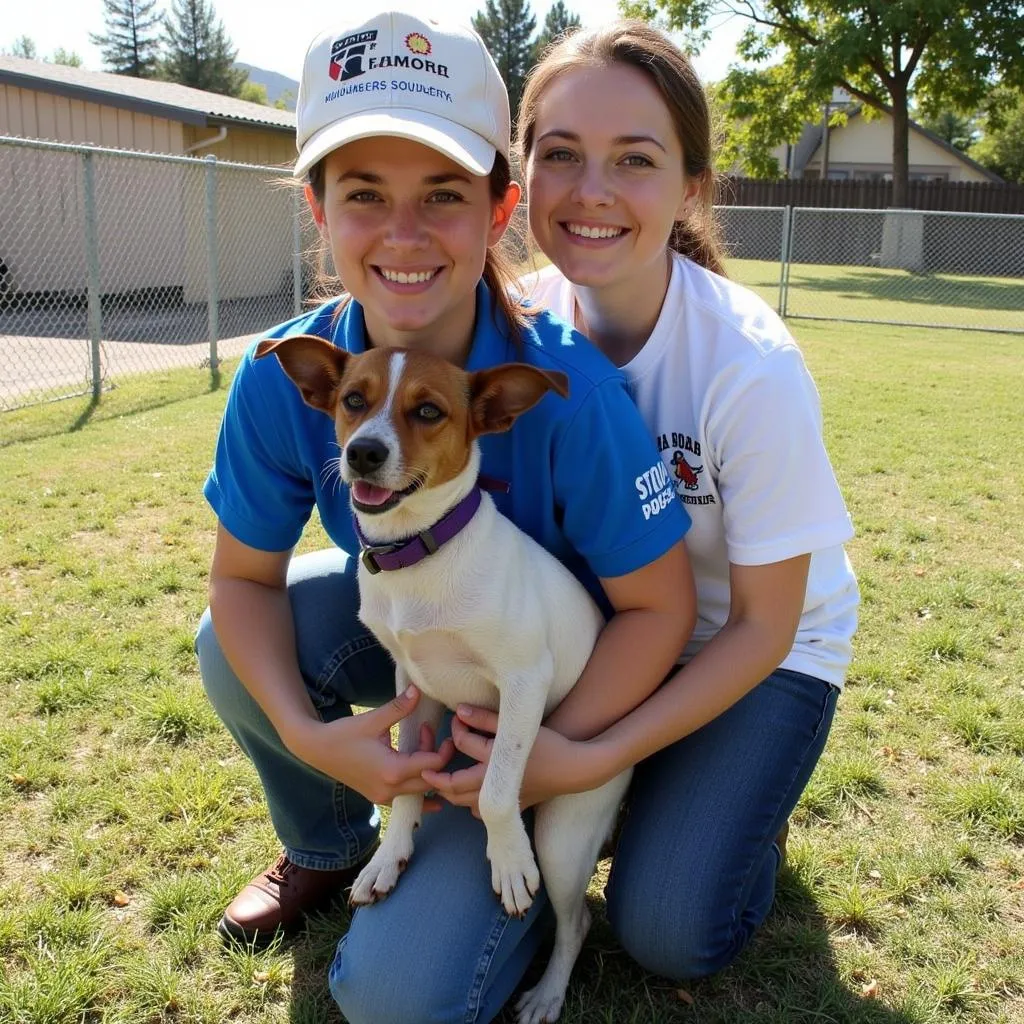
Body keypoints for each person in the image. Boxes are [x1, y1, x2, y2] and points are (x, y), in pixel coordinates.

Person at [194, 9, 697, 1022]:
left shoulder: (563, 388)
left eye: (442, 196)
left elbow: (660, 609)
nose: (405, 233)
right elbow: (240, 578)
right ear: (318, 208)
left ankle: (489, 901)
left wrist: (549, 755)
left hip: (549, 688)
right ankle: (325, 844)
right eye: (364, 195)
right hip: (420, 644)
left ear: (500, 207)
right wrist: (312, 734)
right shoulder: (288, 371)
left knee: (395, 999)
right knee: (232, 638)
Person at [424, 20, 859, 987]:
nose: (593, 192)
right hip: (599, 630)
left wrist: (582, 756)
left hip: (747, 654)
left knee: (666, 933)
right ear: (521, 174)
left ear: (691, 185)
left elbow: (765, 625)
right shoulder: (515, 329)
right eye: (562, 155)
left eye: (636, 160)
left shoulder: (748, 365)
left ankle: (727, 808)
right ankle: (343, 842)